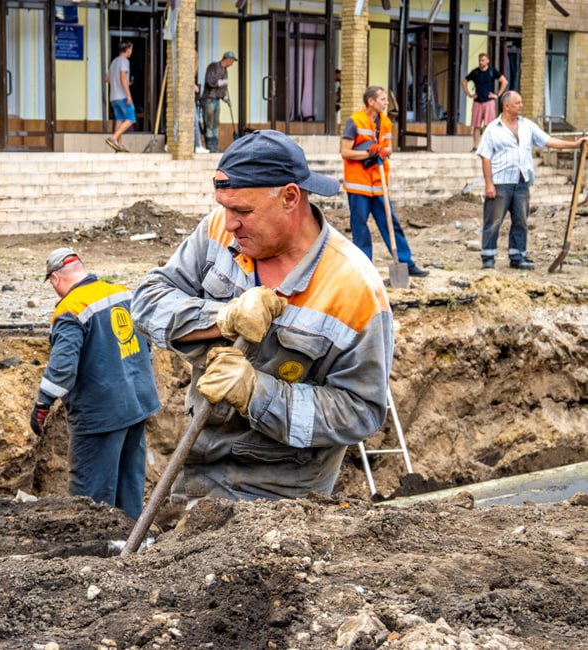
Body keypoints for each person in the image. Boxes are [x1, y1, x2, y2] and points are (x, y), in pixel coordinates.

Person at [131, 130, 393, 503]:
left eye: (242, 211)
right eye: (224, 206)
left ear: (290, 197)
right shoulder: (219, 231)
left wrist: (258, 394)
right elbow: (146, 301)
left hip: (279, 498)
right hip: (197, 465)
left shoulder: (353, 288)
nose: (230, 222)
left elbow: (361, 412)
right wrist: (222, 317)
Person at [30, 248, 161, 519]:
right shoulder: (121, 292)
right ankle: (132, 546)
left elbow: (63, 367)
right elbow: (145, 343)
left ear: (55, 279)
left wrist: (43, 402)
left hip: (100, 414)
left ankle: (95, 554)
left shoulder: (71, 308)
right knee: (129, 484)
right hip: (137, 405)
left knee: (90, 495)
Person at [476, 91, 588, 270]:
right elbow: (485, 157)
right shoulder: (492, 129)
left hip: (522, 181)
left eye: (521, 102)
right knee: (494, 221)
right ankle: (488, 258)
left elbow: (548, 141)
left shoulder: (527, 126)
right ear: (507, 106)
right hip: (501, 182)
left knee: (521, 221)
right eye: (518, 103)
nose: (521, 105)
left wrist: (574, 145)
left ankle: (517, 256)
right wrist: (489, 184)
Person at [341, 86, 429, 277]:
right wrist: (369, 152)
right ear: (370, 102)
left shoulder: (387, 122)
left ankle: (405, 262)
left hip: (379, 183)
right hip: (359, 185)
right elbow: (345, 152)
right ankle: (364, 266)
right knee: (360, 226)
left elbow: (388, 147)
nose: (386, 102)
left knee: (391, 222)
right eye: (382, 99)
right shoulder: (354, 121)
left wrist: (385, 150)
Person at [461, 53, 507, 152]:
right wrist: (469, 94)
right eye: (480, 60)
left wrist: (497, 95)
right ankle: (475, 146)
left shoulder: (492, 71)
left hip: (489, 101)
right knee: (476, 126)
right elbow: (464, 81)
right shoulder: (475, 72)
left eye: (483, 60)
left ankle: (487, 147)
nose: (481, 62)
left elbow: (504, 81)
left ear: (487, 61)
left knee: (489, 126)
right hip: (477, 101)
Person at [201, 51, 237, 153]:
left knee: (216, 123)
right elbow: (209, 82)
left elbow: (223, 89)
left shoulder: (225, 71)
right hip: (209, 99)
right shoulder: (213, 67)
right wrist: (220, 83)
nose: (232, 64)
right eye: (232, 61)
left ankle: (215, 145)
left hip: (217, 100)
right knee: (209, 123)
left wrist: (225, 98)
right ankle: (209, 145)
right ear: (227, 59)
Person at [106, 41, 134, 153]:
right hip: (122, 96)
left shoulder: (114, 62)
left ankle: (119, 146)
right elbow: (123, 77)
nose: (131, 52)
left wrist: (123, 82)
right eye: (131, 49)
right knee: (131, 118)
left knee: (119, 119)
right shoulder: (124, 61)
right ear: (127, 50)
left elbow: (107, 79)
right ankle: (113, 138)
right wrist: (128, 94)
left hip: (113, 97)